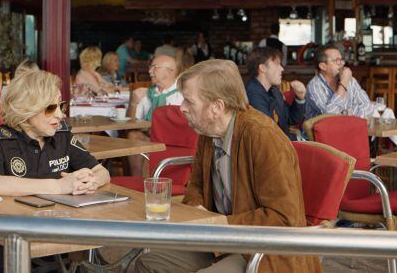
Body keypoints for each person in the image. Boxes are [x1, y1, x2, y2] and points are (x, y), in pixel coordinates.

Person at [135, 59, 321, 273]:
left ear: (217, 107)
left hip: (263, 250)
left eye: (189, 101)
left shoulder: (262, 136)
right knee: (148, 263)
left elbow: (283, 218)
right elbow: (195, 185)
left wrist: (221, 222)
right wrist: (197, 211)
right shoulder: (209, 129)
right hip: (220, 241)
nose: (182, 108)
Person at [0, 69, 110, 271]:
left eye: (61, 106)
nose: (60, 115)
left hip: (55, 231)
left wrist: (89, 180)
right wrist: (59, 186)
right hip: (4, 236)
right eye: (51, 108)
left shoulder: (62, 136)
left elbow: (102, 171)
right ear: (26, 110)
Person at [127, 55, 183, 177]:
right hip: (149, 138)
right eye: (150, 67)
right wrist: (133, 103)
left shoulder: (182, 94)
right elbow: (131, 123)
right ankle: (136, 181)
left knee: (150, 148)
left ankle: (149, 186)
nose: (149, 71)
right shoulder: (147, 93)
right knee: (133, 135)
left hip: (173, 141)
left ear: (169, 71)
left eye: (154, 67)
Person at [245, 47, 305, 141]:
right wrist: (297, 138)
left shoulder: (274, 91)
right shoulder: (253, 95)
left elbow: (290, 119)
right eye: (277, 64)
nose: (282, 69)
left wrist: (300, 98)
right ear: (263, 68)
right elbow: (267, 133)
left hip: (279, 147)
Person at [306, 44, 375, 119]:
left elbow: (369, 107)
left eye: (341, 60)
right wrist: (344, 83)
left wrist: (345, 113)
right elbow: (330, 115)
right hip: (322, 130)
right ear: (323, 66)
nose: (342, 63)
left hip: (348, 128)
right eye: (337, 61)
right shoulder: (314, 86)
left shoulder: (350, 80)